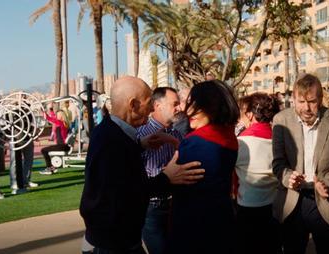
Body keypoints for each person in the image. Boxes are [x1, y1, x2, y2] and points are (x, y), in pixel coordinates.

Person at [79, 76, 205, 253]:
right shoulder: (112, 139)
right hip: (115, 240)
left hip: (116, 235)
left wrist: (139, 145)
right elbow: (125, 191)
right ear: (133, 105)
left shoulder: (108, 131)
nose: (152, 108)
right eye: (149, 102)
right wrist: (167, 177)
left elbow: (118, 168)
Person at [272, 73, 329, 254]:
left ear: (321, 99)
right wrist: (288, 178)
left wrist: (327, 183)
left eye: (312, 101)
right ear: (293, 99)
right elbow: (278, 163)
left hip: (325, 201)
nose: (306, 108)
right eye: (301, 102)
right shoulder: (281, 121)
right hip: (292, 201)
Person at [169, 80, 240, 254]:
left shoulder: (195, 142)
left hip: (193, 227)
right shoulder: (229, 137)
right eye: (190, 104)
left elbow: (179, 183)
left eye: (198, 106)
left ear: (213, 107)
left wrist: (166, 176)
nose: (189, 111)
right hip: (221, 220)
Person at [136, 87, 184, 254]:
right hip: (152, 208)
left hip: (175, 205)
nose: (179, 108)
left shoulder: (177, 134)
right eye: (175, 104)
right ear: (157, 105)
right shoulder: (141, 134)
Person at [234, 92, 281, 254]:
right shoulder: (278, 140)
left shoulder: (241, 143)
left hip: (247, 207)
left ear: (250, 114)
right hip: (275, 207)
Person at [39, 103, 72, 175]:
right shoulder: (65, 123)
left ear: (60, 116)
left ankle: (49, 168)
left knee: (43, 150)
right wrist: (51, 110)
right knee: (46, 150)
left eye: (57, 115)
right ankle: (51, 167)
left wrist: (42, 111)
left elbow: (49, 118)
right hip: (65, 146)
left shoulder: (60, 123)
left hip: (62, 146)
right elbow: (53, 118)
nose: (56, 116)